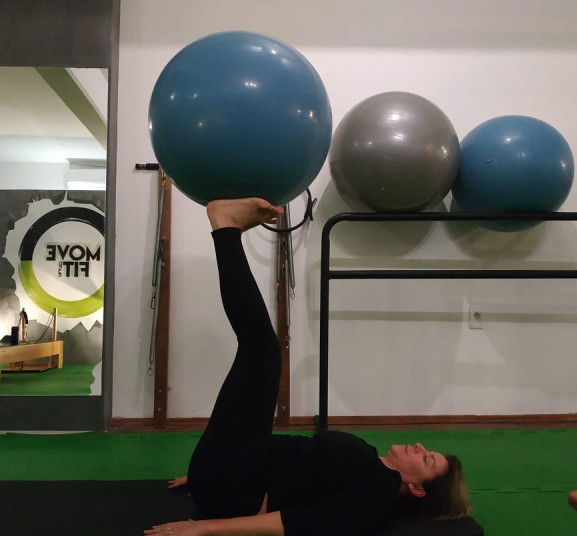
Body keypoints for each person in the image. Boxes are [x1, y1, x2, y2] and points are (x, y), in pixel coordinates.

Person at [144, 198, 470, 536]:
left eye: (427, 459)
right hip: (231, 471)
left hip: (235, 489)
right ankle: (228, 230)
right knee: (261, 350)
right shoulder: (373, 464)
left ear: (417, 489)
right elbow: (296, 462)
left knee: (262, 350)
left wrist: (206, 528)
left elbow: (305, 523)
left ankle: (226, 229)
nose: (419, 447)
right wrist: (211, 467)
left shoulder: (377, 492)